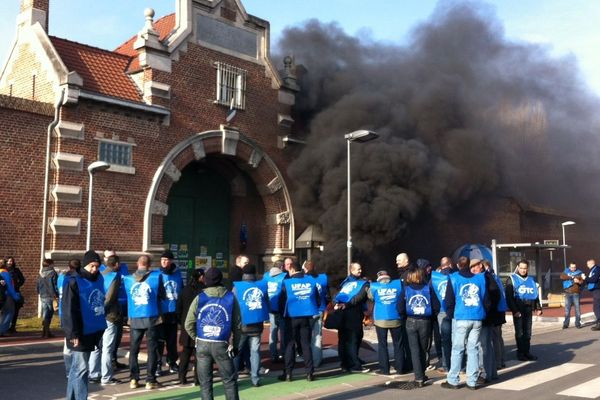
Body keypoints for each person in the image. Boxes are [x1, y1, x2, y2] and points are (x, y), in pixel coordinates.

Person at [184, 267, 241, 400]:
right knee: (229, 381)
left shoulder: (200, 298)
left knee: (205, 383)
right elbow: (237, 325)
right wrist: (236, 345)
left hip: (203, 343)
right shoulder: (230, 297)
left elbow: (188, 323)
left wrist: (196, 337)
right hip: (222, 343)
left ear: (206, 281)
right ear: (221, 279)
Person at [61, 250, 106, 400]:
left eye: (97, 266)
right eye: (92, 266)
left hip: (93, 329)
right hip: (79, 330)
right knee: (81, 369)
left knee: (76, 369)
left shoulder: (99, 278)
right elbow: (68, 310)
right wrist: (72, 333)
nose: (95, 269)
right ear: (86, 264)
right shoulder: (73, 281)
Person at [442, 258, 490, 390]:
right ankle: (472, 381)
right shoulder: (480, 279)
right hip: (477, 316)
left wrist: (452, 315)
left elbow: (448, 301)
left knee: (458, 349)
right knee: (473, 349)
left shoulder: (453, 278)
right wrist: (483, 314)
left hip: (461, 317)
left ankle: (453, 380)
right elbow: (486, 300)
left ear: (458, 265)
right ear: (469, 265)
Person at [123, 255, 164, 390]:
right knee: (152, 350)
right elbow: (162, 296)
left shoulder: (128, 279)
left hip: (135, 317)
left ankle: (133, 379)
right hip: (151, 316)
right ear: (150, 264)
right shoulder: (156, 277)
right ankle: (150, 379)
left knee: (134, 349)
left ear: (137, 263)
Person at [278, 260, 320, 381]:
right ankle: (309, 373)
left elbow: (281, 301)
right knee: (306, 344)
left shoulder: (287, 283)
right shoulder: (311, 281)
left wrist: (282, 315)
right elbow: (317, 300)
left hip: (290, 318)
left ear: (291, 269)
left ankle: (288, 373)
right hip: (306, 317)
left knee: (290, 345)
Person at [399, 267, 440, 387]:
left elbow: (400, 307)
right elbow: (436, 307)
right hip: (425, 321)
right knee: (423, 349)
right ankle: (422, 373)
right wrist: (431, 317)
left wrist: (404, 317)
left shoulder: (406, 290)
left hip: (410, 321)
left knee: (414, 350)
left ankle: (419, 378)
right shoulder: (428, 289)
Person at [89, 255, 124, 385]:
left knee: (96, 347)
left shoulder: (99, 275)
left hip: (97, 314)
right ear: (115, 264)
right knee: (107, 348)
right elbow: (110, 298)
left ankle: (93, 374)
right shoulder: (115, 277)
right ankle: (106, 377)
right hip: (110, 315)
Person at [233, 264, 269, 386]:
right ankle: (255, 378)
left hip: (242, 325)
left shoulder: (237, 287)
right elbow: (266, 302)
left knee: (237, 351)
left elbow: (233, 305)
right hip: (257, 324)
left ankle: (234, 377)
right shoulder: (262, 286)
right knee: (255, 352)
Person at [367, 270, 405, 375]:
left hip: (380, 318)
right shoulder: (398, 284)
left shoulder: (374, 287)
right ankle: (400, 368)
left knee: (382, 345)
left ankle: (385, 369)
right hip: (396, 317)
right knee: (398, 344)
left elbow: (370, 297)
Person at [334, 262, 370, 373]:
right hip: (353, 313)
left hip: (344, 312)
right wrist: (346, 305)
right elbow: (359, 298)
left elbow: (338, 296)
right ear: (352, 270)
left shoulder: (345, 283)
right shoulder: (362, 283)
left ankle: (345, 363)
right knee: (353, 339)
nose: (360, 271)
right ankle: (354, 365)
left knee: (345, 339)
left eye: (360, 269)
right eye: (358, 269)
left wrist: (337, 304)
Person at [505, 259, 542, 361]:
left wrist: (538, 307)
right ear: (518, 268)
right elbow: (509, 297)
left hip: (528, 308)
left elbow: (535, 295)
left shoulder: (531, 280)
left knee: (528, 331)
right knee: (520, 332)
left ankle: (527, 352)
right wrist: (515, 310)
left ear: (527, 269)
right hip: (518, 309)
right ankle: (520, 353)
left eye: (525, 268)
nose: (523, 270)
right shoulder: (512, 279)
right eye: (521, 268)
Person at [100, 249, 129, 370]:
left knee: (117, 337)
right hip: (110, 309)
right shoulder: (102, 270)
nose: (111, 259)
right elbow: (108, 296)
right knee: (108, 340)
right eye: (108, 257)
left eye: (113, 256)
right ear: (104, 258)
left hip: (121, 304)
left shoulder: (123, 268)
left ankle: (113, 360)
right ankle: (106, 368)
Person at [156, 250, 183, 376]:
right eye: (162, 260)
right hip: (161, 312)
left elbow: (181, 290)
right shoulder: (157, 274)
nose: (164, 262)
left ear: (171, 261)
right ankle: (157, 364)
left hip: (173, 311)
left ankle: (172, 362)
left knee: (172, 340)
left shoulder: (177, 274)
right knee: (159, 340)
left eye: (166, 260)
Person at [177, 268, 205, 385]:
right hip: (199, 325)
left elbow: (179, 308)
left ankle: (181, 377)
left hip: (186, 325)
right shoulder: (203, 292)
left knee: (185, 353)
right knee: (199, 354)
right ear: (200, 277)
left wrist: (182, 322)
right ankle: (197, 378)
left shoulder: (185, 290)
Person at [475, 260, 501, 383]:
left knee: (483, 346)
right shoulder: (488, 276)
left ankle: (484, 373)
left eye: (474, 266)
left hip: (485, 317)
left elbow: (495, 295)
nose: (472, 269)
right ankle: (492, 373)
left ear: (480, 266)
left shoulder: (486, 277)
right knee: (487, 346)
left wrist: (486, 309)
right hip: (487, 316)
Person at [303, 260, 329, 368]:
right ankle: (317, 361)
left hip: (307, 310)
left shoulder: (303, 279)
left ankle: (308, 361)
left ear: (305, 268)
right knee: (317, 337)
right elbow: (327, 293)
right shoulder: (323, 278)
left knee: (305, 337)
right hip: (320, 309)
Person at [482, 260, 507, 370]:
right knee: (498, 337)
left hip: (495, 311)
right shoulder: (495, 276)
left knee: (494, 337)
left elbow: (494, 295)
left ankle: (497, 362)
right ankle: (501, 360)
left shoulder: (489, 277)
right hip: (500, 310)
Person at [430, 257, 453, 373]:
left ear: (441, 265)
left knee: (444, 339)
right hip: (454, 311)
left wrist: (435, 310)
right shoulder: (455, 275)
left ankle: (445, 365)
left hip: (441, 311)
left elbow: (431, 295)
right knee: (457, 338)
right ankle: (460, 364)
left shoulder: (434, 278)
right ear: (450, 264)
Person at [265, 260, 287, 363]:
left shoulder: (266, 275)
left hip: (270, 307)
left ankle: (273, 354)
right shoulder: (284, 276)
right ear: (282, 267)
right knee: (283, 332)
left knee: (272, 331)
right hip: (281, 308)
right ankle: (283, 353)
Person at [36, 258, 58, 338]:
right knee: (49, 314)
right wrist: (57, 294)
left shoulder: (40, 273)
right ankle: (46, 332)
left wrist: (39, 292)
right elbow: (55, 285)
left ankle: (45, 331)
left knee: (46, 313)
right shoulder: (53, 273)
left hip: (43, 295)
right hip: (51, 295)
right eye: (53, 263)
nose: (54, 265)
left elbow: (37, 284)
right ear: (50, 264)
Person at [0, 259, 22, 336]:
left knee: (3, 313)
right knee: (9, 312)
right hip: (6, 295)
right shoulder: (5, 273)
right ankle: (2, 330)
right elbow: (9, 286)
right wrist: (15, 296)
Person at [561, 262, 584, 329]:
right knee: (567, 310)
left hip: (576, 293)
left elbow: (582, 281)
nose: (573, 269)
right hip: (567, 293)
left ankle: (577, 323)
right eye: (572, 267)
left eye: (574, 267)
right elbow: (562, 276)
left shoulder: (579, 272)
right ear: (569, 267)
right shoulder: (566, 271)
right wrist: (572, 277)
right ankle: (566, 324)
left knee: (577, 309)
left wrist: (578, 281)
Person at [6, 257, 25, 334]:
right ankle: (5, 326)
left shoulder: (16, 270)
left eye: (12, 261)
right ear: (6, 262)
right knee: (7, 310)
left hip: (15, 291)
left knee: (16, 309)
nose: (10, 262)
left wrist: (17, 285)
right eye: (9, 261)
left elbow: (22, 279)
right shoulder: (4, 270)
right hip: (6, 292)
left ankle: (12, 326)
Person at [583, 259, 600, 331]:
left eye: (587, 264)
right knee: (597, 306)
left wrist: (585, 278)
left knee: (596, 307)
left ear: (591, 263)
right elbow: (590, 280)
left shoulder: (597, 269)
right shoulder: (593, 269)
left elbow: (593, 279)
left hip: (597, 290)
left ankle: (599, 323)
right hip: (595, 290)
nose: (587, 266)